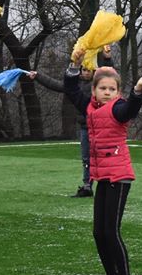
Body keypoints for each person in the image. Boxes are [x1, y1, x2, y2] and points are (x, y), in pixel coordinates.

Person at [63, 49, 142, 275]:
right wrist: (74, 64)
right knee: (99, 232)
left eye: (111, 89)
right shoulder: (90, 108)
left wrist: (138, 89)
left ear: (117, 92)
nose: (107, 92)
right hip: (102, 176)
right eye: (102, 88)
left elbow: (131, 109)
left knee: (111, 230)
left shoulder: (118, 109)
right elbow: (71, 90)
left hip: (119, 176)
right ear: (94, 90)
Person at [28, 44, 114, 197]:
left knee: (104, 156)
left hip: (101, 128)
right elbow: (58, 85)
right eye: (83, 69)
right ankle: (87, 185)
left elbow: (109, 74)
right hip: (85, 126)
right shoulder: (76, 85)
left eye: (88, 70)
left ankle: (108, 184)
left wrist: (107, 58)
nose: (85, 72)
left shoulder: (99, 85)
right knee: (86, 157)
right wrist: (38, 76)